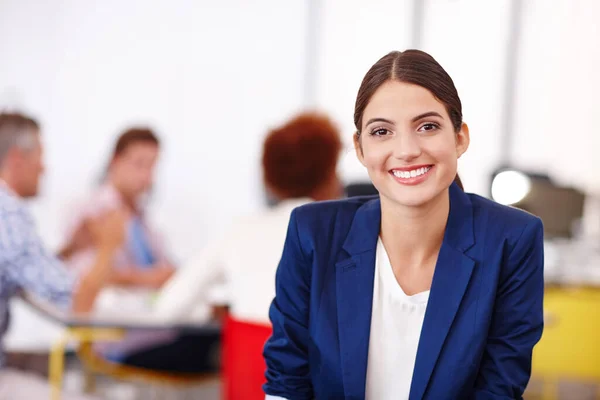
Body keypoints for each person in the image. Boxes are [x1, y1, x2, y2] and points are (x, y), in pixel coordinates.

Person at [262, 50, 545, 399]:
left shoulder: (511, 239)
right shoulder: (313, 234)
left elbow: (499, 387)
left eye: (427, 126)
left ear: (460, 138)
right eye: (382, 131)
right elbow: (287, 381)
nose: (407, 149)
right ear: (360, 149)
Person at [152, 112, 342, 393]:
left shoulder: (240, 229)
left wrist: (216, 311)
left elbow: (167, 307)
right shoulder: (339, 231)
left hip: (247, 378)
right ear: (327, 174)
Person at [0, 112, 126, 400]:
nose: (44, 168)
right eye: (40, 156)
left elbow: (19, 268)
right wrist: (108, 246)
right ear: (17, 159)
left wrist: (71, 250)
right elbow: (78, 306)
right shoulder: (7, 212)